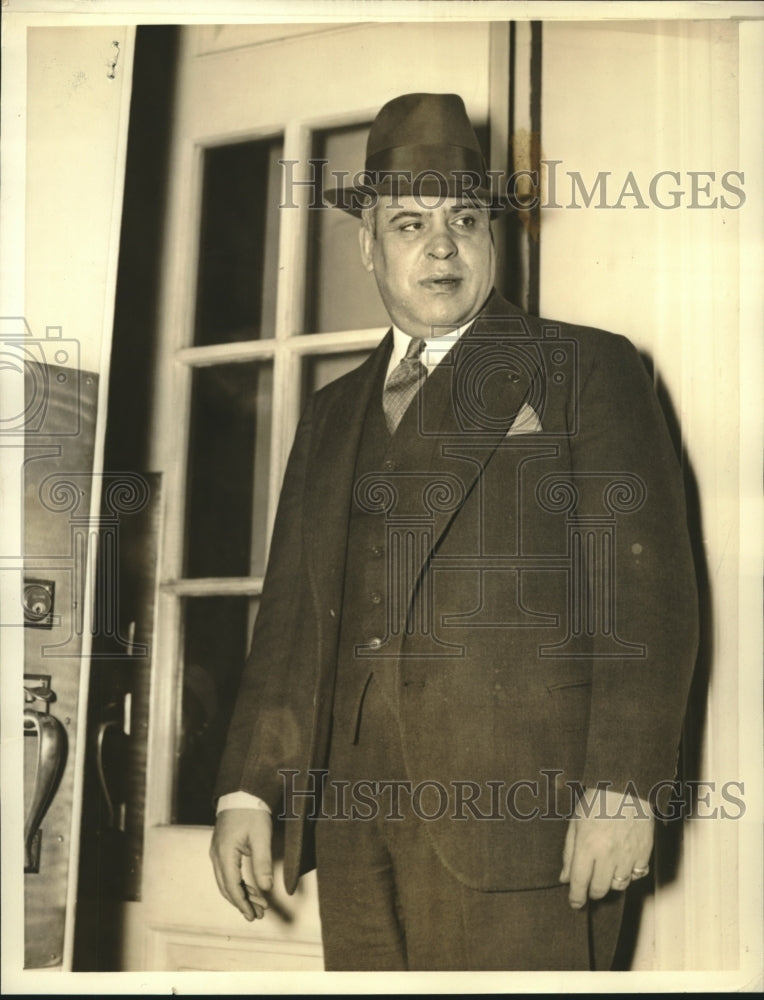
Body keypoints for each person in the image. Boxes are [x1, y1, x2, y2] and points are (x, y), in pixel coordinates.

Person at [209, 93, 698, 971]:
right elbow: (288, 621)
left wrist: (624, 787)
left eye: (464, 218)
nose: (441, 245)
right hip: (353, 833)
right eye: (409, 222)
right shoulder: (330, 413)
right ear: (369, 245)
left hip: (525, 832)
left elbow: (645, 598)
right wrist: (248, 786)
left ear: (491, 237)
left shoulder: (583, 368)